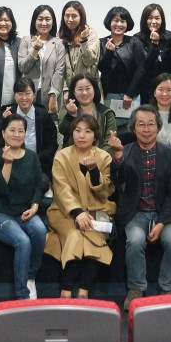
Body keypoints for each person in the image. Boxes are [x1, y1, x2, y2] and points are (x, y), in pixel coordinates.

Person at [107, 105, 171, 308]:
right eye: (141, 125)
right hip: (136, 213)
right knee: (135, 241)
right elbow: (117, 182)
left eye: (151, 124)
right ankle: (136, 288)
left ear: (158, 127)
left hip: (163, 212)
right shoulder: (124, 152)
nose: (146, 129)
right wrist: (117, 156)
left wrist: (161, 222)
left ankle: (167, 287)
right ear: (133, 128)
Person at [45, 115, 116, 298]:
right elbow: (61, 189)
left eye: (87, 131)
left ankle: (83, 291)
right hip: (64, 212)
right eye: (78, 131)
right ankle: (66, 290)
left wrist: (93, 170)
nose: (82, 135)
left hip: (96, 210)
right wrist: (77, 212)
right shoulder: (62, 156)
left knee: (94, 238)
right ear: (72, 133)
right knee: (75, 235)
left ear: (95, 135)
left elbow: (105, 192)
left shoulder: (104, 157)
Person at [0, 113, 48, 300]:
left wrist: (35, 205)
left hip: (24, 211)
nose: (16, 134)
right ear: (3, 133)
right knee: (23, 241)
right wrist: (7, 163)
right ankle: (23, 295)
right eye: (12, 130)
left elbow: (39, 184)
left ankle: (30, 277)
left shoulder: (32, 157)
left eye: (21, 131)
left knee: (40, 230)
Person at [0, 76, 60, 183]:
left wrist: (35, 159)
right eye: (20, 94)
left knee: (42, 183)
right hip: (11, 162)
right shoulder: (7, 113)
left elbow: (52, 144)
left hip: (38, 163)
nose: (24, 98)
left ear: (34, 95)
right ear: (14, 96)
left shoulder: (43, 115)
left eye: (27, 93)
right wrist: (4, 122)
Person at [97, 5, 145, 120]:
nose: (119, 24)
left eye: (123, 21)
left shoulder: (134, 42)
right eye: (116, 20)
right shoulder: (101, 42)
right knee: (109, 126)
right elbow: (102, 69)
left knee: (131, 127)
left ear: (127, 24)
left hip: (131, 96)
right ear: (109, 22)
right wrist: (109, 52)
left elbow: (141, 69)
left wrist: (129, 93)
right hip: (108, 94)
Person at [19, 4, 67, 113]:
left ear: (53, 22)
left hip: (50, 94)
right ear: (34, 21)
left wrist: (54, 94)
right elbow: (23, 68)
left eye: (48, 19)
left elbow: (59, 71)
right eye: (40, 19)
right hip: (29, 93)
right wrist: (35, 49)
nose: (44, 23)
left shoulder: (59, 43)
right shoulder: (26, 40)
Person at [58, 73, 117, 148]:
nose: (84, 93)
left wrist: (99, 155)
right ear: (74, 92)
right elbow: (63, 131)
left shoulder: (107, 113)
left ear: (94, 89)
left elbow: (109, 142)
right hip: (72, 154)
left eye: (88, 88)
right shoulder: (66, 110)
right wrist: (70, 115)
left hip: (99, 154)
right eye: (80, 89)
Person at [136, 3, 171, 105]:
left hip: (165, 87)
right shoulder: (137, 39)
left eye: (157, 18)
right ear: (144, 20)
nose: (154, 22)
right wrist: (154, 45)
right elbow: (144, 66)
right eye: (150, 18)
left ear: (162, 20)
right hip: (145, 88)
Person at [59, 0, 100, 93]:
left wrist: (84, 41)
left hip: (88, 89)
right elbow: (59, 67)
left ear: (81, 17)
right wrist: (65, 89)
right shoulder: (60, 37)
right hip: (68, 90)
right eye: (67, 16)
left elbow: (89, 61)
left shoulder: (91, 34)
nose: (70, 19)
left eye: (74, 16)